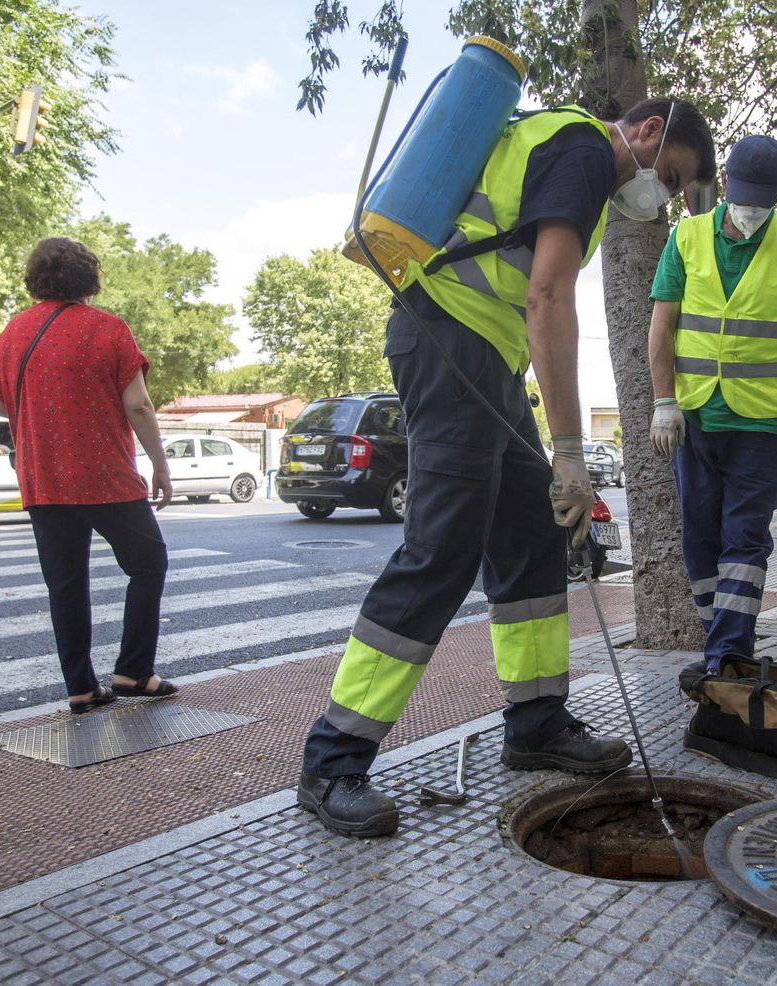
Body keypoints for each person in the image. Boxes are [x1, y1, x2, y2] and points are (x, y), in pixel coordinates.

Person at [299, 97, 719, 839]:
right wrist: (568, 448)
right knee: (442, 551)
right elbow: (548, 294)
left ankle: (534, 722)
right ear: (651, 133)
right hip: (448, 340)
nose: (667, 201)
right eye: (676, 178)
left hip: (484, 356)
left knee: (530, 533)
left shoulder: (567, 151)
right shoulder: (587, 153)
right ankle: (333, 760)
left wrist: (554, 455)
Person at [647, 135, 777, 674]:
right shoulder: (687, 236)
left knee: (745, 542)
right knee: (700, 543)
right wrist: (664, 401)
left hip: (763, 424)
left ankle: (728, 660)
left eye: (762, 201)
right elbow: (663, 325)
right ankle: (720, 647)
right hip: (696, 420)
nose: (750, 210)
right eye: (744, 196)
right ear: (725, 185)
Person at [0, 238, 179, 715]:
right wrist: (159, 463)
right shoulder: (109, 330)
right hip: (105, 475)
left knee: (66, 583)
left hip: (44, 479)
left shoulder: (13, 333)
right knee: (148, 563)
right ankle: (134, 670)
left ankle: (81, 687)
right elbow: (138, 404)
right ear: (88, 277)